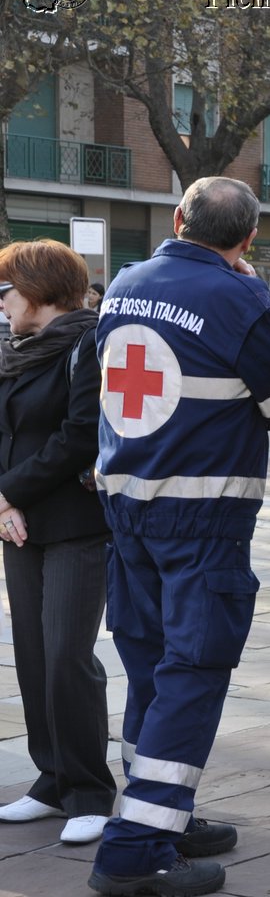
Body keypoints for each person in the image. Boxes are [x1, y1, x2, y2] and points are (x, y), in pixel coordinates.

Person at [88, 176, 270, 897]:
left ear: (179, 218)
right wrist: (258, 302)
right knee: (195, 668)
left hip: (127, 506)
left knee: (148, 661)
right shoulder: (241, 300)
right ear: (247, 240)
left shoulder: (124, 283)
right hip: (203, 515)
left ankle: (158, 808)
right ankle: (137, 845)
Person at [0, 241, 116, 845]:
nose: (3, 302)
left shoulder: (87, 343)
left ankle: (91, 789)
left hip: (74, 520)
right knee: (33, 655)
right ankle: (52, 779)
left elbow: (79, 436)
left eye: (8, 290)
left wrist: (6, 493)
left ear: (39, 291)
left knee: (68, 655)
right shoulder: (15, 351)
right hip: (20, 523)